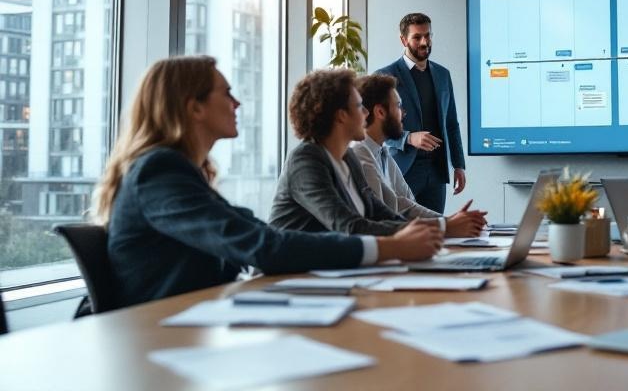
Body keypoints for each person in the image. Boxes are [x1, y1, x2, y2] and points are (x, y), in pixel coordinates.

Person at [95, 57, 441, 308]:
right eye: (226, 93)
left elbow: (254, 233)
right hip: (154, 333)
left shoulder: (180, 171)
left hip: (194, 319)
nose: (237, 102)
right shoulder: (160, 171)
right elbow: (262, 245)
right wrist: (390, 247)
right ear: (194, 108)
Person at [270, 68, 441, 237]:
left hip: (333, 262)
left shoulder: (348, 157)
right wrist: (432, 230)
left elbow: (379, 212)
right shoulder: (305, 161)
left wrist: (440, 227)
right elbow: (348, 225)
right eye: (360, 106)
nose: (366, 113)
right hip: (296, 264)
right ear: (341, 116)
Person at [353, 73, 487, 237]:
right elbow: (381, 217)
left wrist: (450, 221)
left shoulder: (382, 152)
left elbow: (405, 201)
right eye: (398, 106)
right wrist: (447, 225)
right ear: (380, 112)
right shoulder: (360, 153)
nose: (403, 113)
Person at [376, 13, 465, 213]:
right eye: (417, 37)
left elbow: (452, 124)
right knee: (402, 232)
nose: (424, 42)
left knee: (435, 234)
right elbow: (375, 127)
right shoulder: (385, 76)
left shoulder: (443, 74)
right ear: (403, 39)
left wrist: (458, 165)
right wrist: (408, 138)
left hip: (436, 172)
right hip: (403, 170)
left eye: (428, 35)